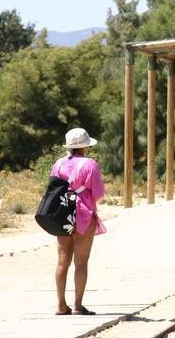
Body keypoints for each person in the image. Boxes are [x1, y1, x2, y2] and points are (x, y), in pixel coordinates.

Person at [53, 127, 106, 315]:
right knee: (81, 262)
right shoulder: (89, 164)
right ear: (85, 147)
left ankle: (61, 305)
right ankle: (77, 305)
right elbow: (98, 193)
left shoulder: (58, 164)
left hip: (61, 214)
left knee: (62, 261)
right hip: (83, 215)